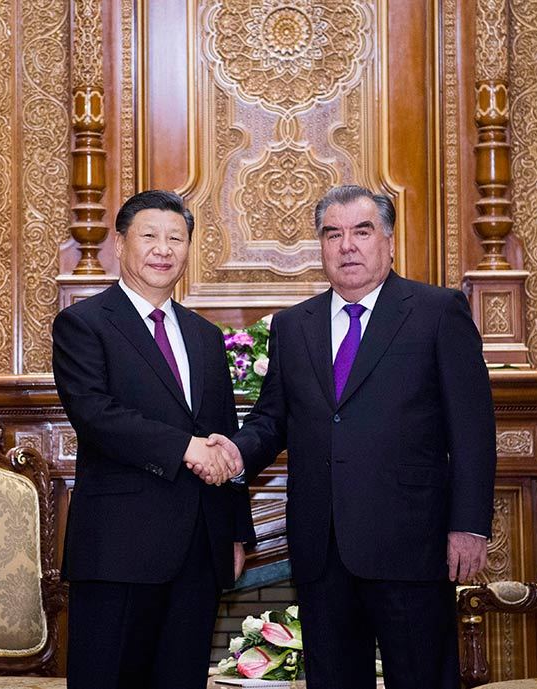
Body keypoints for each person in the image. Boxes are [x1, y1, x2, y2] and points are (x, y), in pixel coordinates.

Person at [206, 185, 497, 689]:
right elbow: (272, 421)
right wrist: (232, 452)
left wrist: (469, 526)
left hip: (412, 543)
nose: (347, 246)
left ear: (389, 241)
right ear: (320, 246)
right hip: (322, 547)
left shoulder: (437, 311)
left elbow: (472, 430)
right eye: (332, 234)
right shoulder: (294, 326)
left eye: (362, 232)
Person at [52, 190, 254, 689]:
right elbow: (96, 416)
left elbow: (223, 434)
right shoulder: (83, 324)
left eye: (175, 239)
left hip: (199, 548)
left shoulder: (206, 336)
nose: (163, 249)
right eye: (149, 236)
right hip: (118, 548)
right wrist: (185, 447)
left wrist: (235, 531)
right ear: (121, 244)